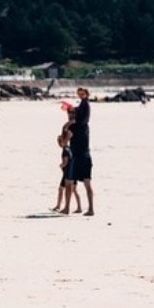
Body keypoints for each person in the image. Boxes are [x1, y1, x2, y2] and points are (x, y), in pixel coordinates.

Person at [70, 87, 94, 216]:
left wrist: (74, 120)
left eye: (82, 93)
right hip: (80, 152)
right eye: (79, 93)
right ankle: (81, 207)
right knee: (79, 183)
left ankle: (90, 208)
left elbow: (84, 120)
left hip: (82, 153)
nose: (80, 95)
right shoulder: (82, 105)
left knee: (84, 183)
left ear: (86, 94)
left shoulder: (86, 105)